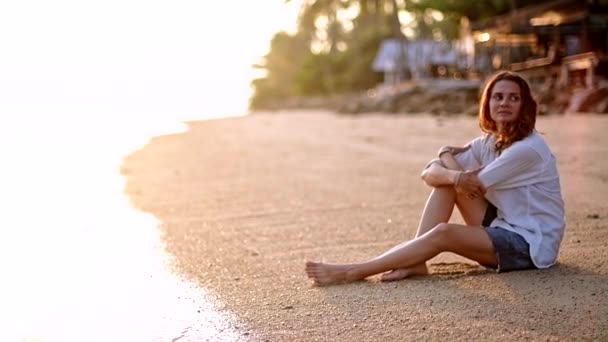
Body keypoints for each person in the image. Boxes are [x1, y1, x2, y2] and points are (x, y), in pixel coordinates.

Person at [305, 71, 565, 286]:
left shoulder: (527, 149)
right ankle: (416, 262)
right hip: (504, 226)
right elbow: (430, 172)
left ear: (525, 106)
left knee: (444, 231)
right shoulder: (489, 142)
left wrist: (450, 164)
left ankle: (356, 271)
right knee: (447, 186)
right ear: (487, 104)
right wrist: (453, 171)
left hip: (530, 245)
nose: (504, 103)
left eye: (513, 98)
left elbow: (472, 184)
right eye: (498, 97)